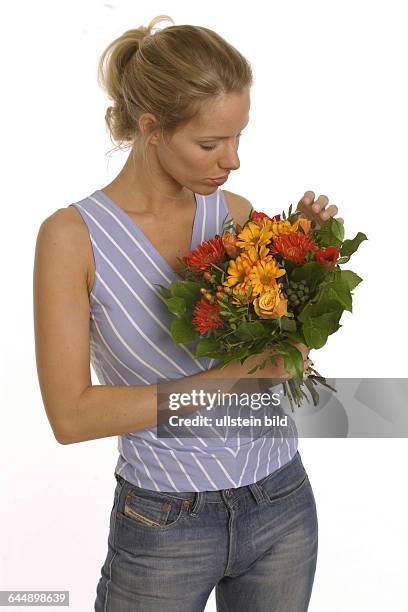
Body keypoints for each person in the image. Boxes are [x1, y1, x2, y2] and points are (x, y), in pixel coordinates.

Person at [33, 15, 343, 612]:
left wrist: (306, 267)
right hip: (164, 523)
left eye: (238, 138)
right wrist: (229, 380)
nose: (231, 160)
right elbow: (70, 416)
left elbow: (280, 361)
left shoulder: (233, 211)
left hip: (281, 501)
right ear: (151, 128)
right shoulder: (72, 239)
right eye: (210, 144)